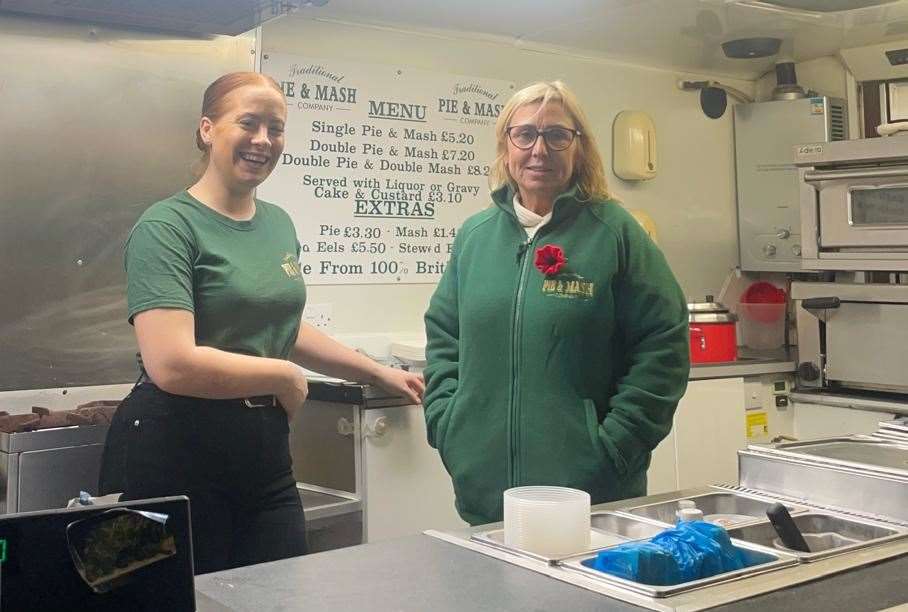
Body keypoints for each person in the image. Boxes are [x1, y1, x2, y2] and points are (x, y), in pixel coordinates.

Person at [99, 72, 424, 574]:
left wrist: (375, 372)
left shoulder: (277, 224)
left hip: (263, 450)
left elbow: (282, 326)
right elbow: (172, 364)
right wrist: (284, 376)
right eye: (247, 123)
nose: (263, 140)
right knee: (179, 600)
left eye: (276, 128)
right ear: (208, 129)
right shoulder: (166, 226)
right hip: (174, 446)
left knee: (278, 591)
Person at [422, 81, 689, 526]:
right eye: (524, 135)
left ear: (578, 147)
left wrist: (616, 446)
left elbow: (664, 343)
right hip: (485, 494)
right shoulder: (474, 237)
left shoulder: (615, 232)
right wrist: (449, 426)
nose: (539, 150)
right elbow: (445, 336)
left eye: (557, 136)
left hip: (590, 498)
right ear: (506, 145)